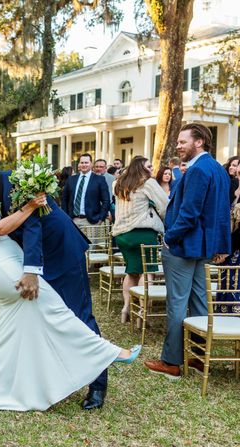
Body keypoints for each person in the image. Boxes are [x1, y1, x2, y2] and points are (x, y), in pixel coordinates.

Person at [0, 180, 140, 412]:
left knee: (12, 331)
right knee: (56, 311)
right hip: (8, 271)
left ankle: (0, 377)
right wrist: (30, 206)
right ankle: (109, 353)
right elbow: (1, 229)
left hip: (7, 265)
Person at [0, 151, 110, 411]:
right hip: (31, 256)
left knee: (78, 315)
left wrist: (31, 270)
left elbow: (32, 225)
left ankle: (98, 386)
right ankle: (60, 378)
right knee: (49, 319)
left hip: (60, 251)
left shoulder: (16, 181)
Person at [144, 123, 231, 379]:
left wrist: (169, 238)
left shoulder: (197, 171)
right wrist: (221, 245)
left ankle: (171, 363)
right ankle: (198, 357)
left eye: (183, 142)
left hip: (182, 247)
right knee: (200, 302)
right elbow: (222, 214)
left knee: (177, 304)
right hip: (203, 248)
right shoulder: (217, 169)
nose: (178, 146)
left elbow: (189, 213)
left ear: (199, 142)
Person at [112, 156, 168, 325]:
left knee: (131, 271)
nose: (151, 169)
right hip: (143, 233)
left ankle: (126, 309)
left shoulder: (118, 183)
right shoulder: (148, 182)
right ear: (141, 168)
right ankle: (143, 313)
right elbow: (165, 205)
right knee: (147, 271)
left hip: (122, 234)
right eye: (149, 166)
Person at [61, 153, 110, 228]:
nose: (84, 165)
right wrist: (65, 216)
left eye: (86, 162)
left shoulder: (99, 179)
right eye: (82, 162)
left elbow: (106, 200)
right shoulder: (71, 179)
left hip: (92, 221)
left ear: (91, 164)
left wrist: (101, 218)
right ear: (79, 164)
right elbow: (64, 199)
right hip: (72, 221)